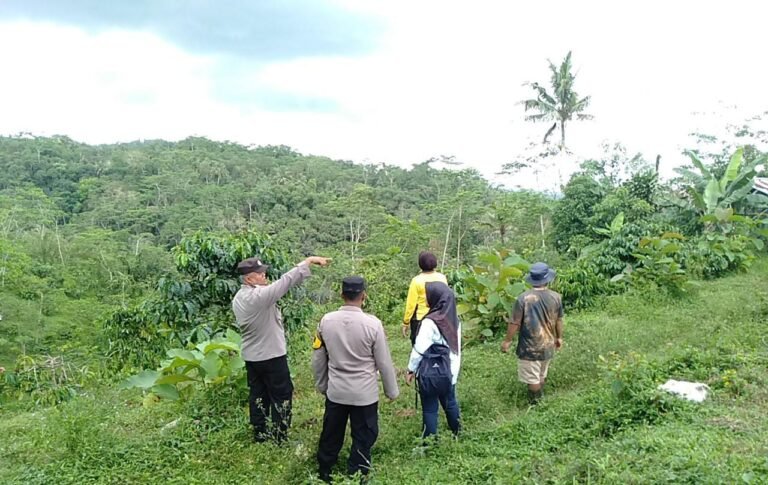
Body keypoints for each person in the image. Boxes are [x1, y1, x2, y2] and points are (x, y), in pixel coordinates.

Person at [232, 255, 330, 444]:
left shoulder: (239, 297)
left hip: (252, 357)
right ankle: (280, 436)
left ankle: (260, 433)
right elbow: (285, 282)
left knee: (258, 395)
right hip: (271, 356)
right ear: (249, 279)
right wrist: (308, 261)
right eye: (260, 274)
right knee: (281, 394)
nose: (264, 276)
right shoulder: (258, 296)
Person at [312, 276, 399, 483]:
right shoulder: (373, 324)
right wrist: (391, 391)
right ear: (364, 296)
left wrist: (322, 385)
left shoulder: (326, 321)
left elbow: (318, 358)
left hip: (336, 391)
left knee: (331, 433)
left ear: (342, 295)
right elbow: (384, 362)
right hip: (364, 394)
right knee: (364, 435)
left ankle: (325, 471)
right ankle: (357, 473)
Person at [501, 262, 564, 405]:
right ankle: (541, 403)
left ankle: (536, 405)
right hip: (548, 343)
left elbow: (515, 322)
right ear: (547, 279)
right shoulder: (556, 297)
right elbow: (559, 320)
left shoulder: (523, 298)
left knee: (533, 379)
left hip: (529, 347)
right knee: (541, 374)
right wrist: (559, 338)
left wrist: (507, 341)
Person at [405, 281, 461, 439]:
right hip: (449, 370)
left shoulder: (429, 322)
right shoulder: (455, 319)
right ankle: (457, 432)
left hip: (431, 372)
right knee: (450, 402)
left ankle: (429, 442)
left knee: (430, 408)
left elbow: (419, 349)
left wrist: (411, 369)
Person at [402, 251, 448, 345]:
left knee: (420, 346)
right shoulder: (442, 278)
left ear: (420, 264)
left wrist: (406, 322)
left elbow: (411, 304)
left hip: (421, 318)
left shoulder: (416, 281)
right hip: (439, 317)